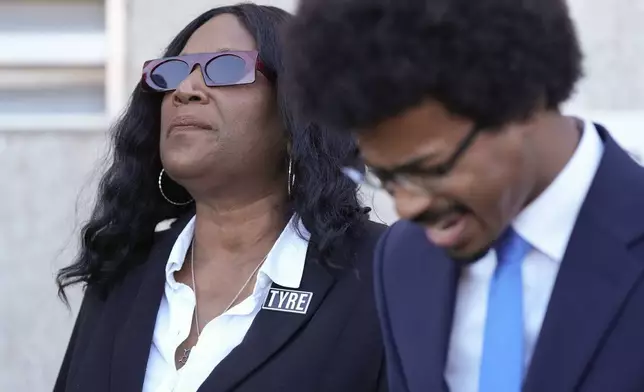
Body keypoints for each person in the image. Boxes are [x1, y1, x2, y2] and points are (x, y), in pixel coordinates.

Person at [283, 0, 644, 391]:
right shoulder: (403, 259)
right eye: (384, 177)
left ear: (523, 100)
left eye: (430, 170)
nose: (407, 206)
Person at [54, 4, 387, 392]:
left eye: (226, 67)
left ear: (295, 110)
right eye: (175, 72)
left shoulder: (379, 272)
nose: (185, 90)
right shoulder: (123, 272)